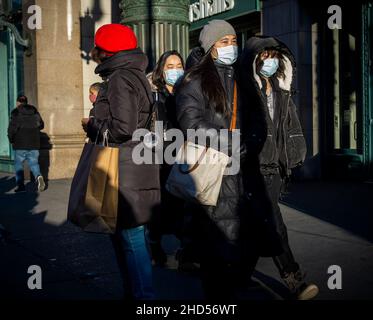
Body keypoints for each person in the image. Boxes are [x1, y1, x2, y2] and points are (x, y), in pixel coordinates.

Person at [174, 20, 281, 300]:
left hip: (246, 175)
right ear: (210, 48)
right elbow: (191, 124)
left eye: (234, 41)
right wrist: (232, 143)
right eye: (224, 42)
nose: (231, 47)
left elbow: (260, 120)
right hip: (215, 177)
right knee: (216, 256)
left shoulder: (244, 78)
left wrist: (252, 144)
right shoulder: (193, 80)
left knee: (248, 244)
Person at [85, 23, 160, 300]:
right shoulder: (136, 75)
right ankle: (138, 293)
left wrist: (93, 125)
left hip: (123, 166)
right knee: (130, 234)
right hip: (136, 162)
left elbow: (122, 127)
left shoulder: (119, 78)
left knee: (130, 237)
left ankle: (144, 297)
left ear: (105, 51)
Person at [240, 36, 319, 300]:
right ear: (254, 60)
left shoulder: (281, 89)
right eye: (265, 57)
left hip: (275, 166)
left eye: (274, 57)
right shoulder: (244, 90)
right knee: (273, 221)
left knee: (256, 225)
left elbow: (291, 126)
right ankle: (293, 278)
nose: (270, 62)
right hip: (252, 165)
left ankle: (238, 277)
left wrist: (296, 154)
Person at [146, 50, 186, 266]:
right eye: (169, 66)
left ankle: (184, 248)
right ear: (161, 70)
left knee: (182, 204)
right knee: (160, 206)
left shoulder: (187, 91)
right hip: (160, 158)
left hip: (184, 155)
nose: (175, 70)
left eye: (178, 65)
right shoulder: (153, 94)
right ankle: (154, 244)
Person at [7, 95, 46, 193]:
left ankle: (21, 186)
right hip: (34, 142)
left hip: (20, 142)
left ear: (18, 102)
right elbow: (41, 125)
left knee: (19, 165)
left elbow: (12, 129)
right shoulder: (34, 111)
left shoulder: (16, 112)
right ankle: (39, 176)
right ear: (26, 102)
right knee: (33, 163)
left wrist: (11, 139)